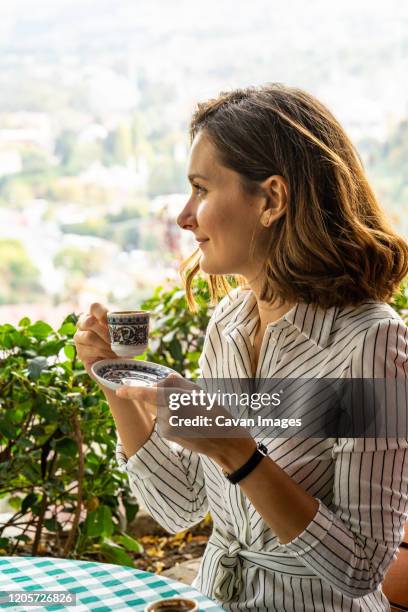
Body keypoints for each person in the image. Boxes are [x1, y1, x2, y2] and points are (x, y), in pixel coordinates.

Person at [74, 84, 408, 612]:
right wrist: (117, 379)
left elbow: (363, 569)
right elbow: (179, 504)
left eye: (202, 190)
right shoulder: (229, 322)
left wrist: (237, 450)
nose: (186, 216)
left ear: (271, 199)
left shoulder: (373, 343)